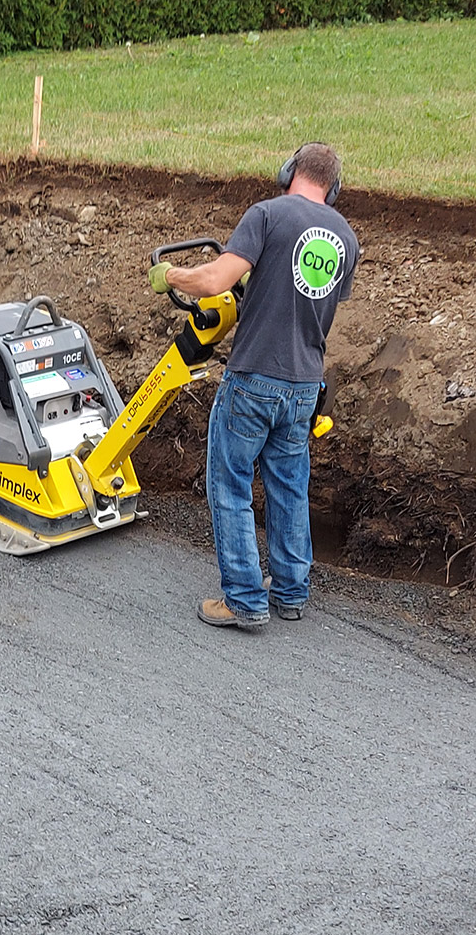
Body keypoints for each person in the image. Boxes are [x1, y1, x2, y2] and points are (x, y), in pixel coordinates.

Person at [146, 142, 358, 629]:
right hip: (304, 385)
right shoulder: (346, 238)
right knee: (289, 488)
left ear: (289, 172)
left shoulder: (267, 215)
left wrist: (170, 274)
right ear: (333, 188)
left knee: (230, 484)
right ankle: (290, 591)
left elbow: (216, 280)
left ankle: (243, 599)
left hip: (255, 376)